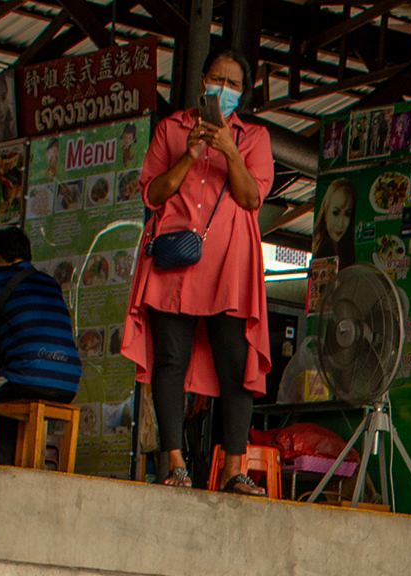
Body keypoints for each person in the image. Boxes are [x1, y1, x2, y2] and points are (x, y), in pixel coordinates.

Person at [121, 50, 273, 493]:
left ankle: (233, 468)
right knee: (169, 360)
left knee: (235, 365)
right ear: (202, 78)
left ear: (241, 94)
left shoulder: (255, 138)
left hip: (230, 265)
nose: (222, 88)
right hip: (174, 261)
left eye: (232, 83)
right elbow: (152, 193)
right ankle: (175, 463)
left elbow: (250, 198)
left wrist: (228, 149)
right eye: (217, 78)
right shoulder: (171, 129)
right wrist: (187, 157)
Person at [0, 227, 83, 461]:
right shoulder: (50, 283)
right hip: (68, 382)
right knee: (3, 414)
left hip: (27, 375)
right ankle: (9, 473)